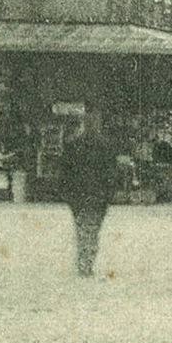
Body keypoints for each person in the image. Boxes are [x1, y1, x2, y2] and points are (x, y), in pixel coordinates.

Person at [59, 112, 118, 278]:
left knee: (82, 229)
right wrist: (109, 195)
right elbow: (112, 174)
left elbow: (64, 175)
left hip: (79, 196)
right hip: (98, 197)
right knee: (92, 230)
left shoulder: (72, 146)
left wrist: (67, 196)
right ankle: (87, 263)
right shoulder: (106, 146)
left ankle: (84, 264)